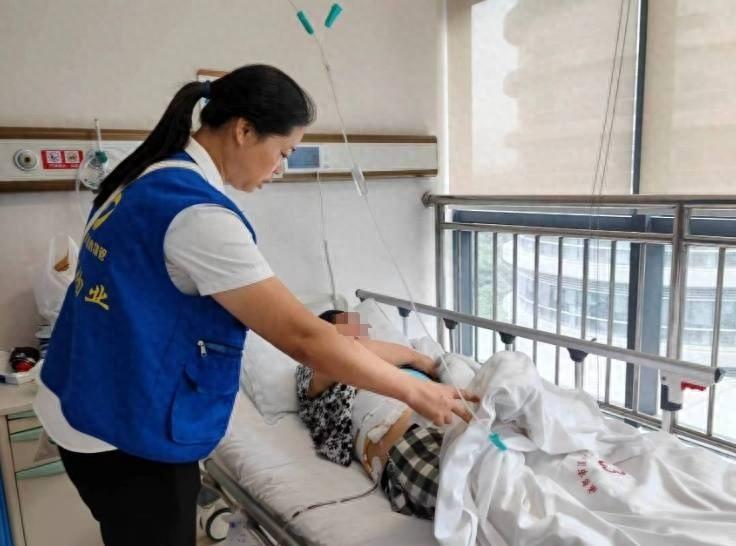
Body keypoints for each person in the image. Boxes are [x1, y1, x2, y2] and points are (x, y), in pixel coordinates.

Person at [34, 64, 474, 546]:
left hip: (82, 403)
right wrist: (415, 392)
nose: (281, 169)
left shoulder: (148, 175)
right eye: (283, 152)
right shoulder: (198, 216)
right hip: (126, 433)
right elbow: (305, 338)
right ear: (244, 130)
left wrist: (418, 364)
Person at [296, 309, 466, 520]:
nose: (360, 336)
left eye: (361, 331)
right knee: (466, 494)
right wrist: (416, 357)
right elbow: (347, 353)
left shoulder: (398, 362)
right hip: (404, 437)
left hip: (456, 419)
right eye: (350, 331)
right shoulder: (313, 371)